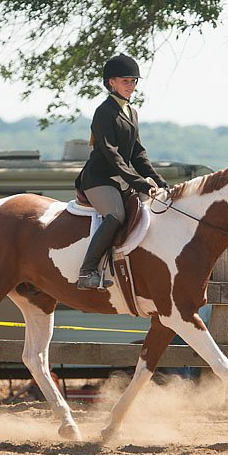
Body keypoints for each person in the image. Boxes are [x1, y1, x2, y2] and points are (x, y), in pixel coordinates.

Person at [74, 53, 169, 290]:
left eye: (134, 81)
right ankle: (87, 271)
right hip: (99, 179)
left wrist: (160, 182)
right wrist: (139, 183)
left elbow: (137, 153)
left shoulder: (131, 113)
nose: (132, 86)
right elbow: (112, 154)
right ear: (111, 83)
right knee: (117, 214)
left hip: (120, 180)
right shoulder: (104, 112)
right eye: (126, 81)